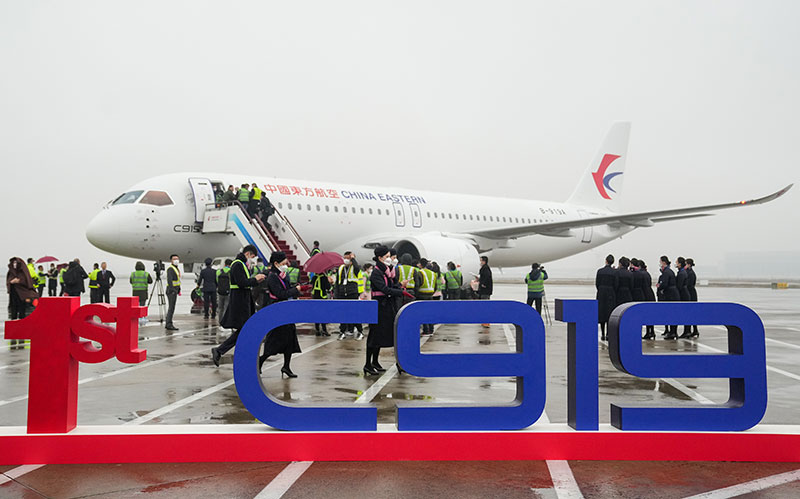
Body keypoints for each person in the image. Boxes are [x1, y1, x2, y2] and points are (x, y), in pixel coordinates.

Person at [212, 245, 266, 366]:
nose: (253, 259)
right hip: (239, 299)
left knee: (245, 329)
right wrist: (255, 279)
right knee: (244, 329)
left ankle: (221, 350)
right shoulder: (237, 264)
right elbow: (242, 282)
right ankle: (221, 350)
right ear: (247, 254)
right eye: (252, 256)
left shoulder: (242, 264)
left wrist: (256, 281)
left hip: (243, 298)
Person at [258, 251, 303, 377]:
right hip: (277, 311)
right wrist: (295, 290)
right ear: (276, 263)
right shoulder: (272, 277)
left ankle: (286, 367)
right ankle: (260, 361)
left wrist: (297, 289)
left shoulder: (283, 275)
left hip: (286, 310)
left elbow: (287, 290)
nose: (286, 265)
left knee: (290, 339)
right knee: (275, 341)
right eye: (284, 263)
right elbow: (280, 294)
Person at [365, 246, 406, 375]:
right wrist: (399, 292)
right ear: (380, 258)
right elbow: (385, 289)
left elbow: (393, 285)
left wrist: (399, 286)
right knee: (374, 336)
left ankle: (375, 362)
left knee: (381, 336)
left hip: (387, 306)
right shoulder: (376, 273)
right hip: (379, 307)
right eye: (387, 256)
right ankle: (367, 364)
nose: (390, 259)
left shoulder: (388, 272)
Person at [334, 251, 364, 340]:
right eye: (345, 258)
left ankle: (360, 331)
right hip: (342, 294)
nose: (346, 260)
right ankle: (342, 332)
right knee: (343, 314)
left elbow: (357, 267)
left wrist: (353, 258)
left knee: (354, 313)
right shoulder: (341, 268)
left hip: (352, 293)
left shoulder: (354, 268)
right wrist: (336, 294)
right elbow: (337, 282)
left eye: (348, 258)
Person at [657, 256, 681, 339]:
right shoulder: (669, 271)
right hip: (673, 294)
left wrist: (659, 286)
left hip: (671, 295)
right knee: (673, 314)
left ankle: (672, 332)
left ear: (664, 262)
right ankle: (672, 331)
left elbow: (664, 284)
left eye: (660, 262)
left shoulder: (666, 272)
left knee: (671, 314)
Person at [595, 254, 618, 341]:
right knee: (609, 313)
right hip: (610, 293)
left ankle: (602, 333)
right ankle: (608, 334)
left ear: (606, 261)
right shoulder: (614, 272)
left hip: (601, 293)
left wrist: (601, 289)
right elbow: (616, 284)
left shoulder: (600, 271)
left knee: (601, 313)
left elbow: (597, 283)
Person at [415, 258, 438, 335]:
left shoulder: (420, 273)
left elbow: (417, 285)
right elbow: (435, 286)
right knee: (429, 312)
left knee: (423, 313)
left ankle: (426, 330)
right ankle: (431, 329)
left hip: (421, 295)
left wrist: (416, 295)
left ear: (421, 264)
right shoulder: (433, 273)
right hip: (430, 295)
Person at [675, 257, 693, 339]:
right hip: (684, 293)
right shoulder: (682, 272)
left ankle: (687, 331)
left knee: (686, 314)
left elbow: (679, 285)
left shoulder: (682, 273)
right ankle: (687, 331)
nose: (676, 264)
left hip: (684, 294)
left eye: (677, 262)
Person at [638, 260, 657, 340]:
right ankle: (651, 331)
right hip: (650, 293)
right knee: (650, 314)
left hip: (645, 294)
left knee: (645, 314)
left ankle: (648, 332)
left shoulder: (640, 274)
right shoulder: (647, 273)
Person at [311, 270, 332, 336]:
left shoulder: (314, 277)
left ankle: (317, 330)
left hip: (315, 297)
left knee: (316, 314)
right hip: (322, 298)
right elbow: (328, 287)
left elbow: (311, 285)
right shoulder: (324, 278)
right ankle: (324, 330)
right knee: (323, 314)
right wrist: (329, 282)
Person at [165, 254, 181, 331]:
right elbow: (170, 280)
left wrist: (179, 289)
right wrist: (173, 290)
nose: (176, 260)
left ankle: (169, 323)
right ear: (171, 261)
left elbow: (177, 280)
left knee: (172, 307)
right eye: (174, 259)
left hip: (175, 290)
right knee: (171, 308)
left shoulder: (176, 268)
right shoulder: (170, 269)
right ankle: (168, 324)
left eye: (177, 259)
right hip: (171, 291)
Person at [685, 258, 699, 338]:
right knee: (692, 313)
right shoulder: (689, 272)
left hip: (691, 294)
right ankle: (694, 330)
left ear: (689, 265)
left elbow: (689, 285)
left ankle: (691, 330)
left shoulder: (690, 273)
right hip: (691, 293)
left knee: (691, 313)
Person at [216, 259, 233, 325]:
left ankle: (220, 321)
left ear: (224, 264)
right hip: (228, 291)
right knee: (226, 307)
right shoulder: (231, 272)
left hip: (220, 291)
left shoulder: (219, 271)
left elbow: (217, 281)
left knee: (220, 307)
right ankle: (225, 321)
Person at [478, 256, 493, 327]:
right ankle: (484, 321)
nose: (480, 262)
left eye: (481, 261)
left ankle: (486, 322)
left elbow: (486, 277)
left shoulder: (485, 268)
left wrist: (483, 284)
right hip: (484, 290)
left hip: (485, 290)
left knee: (485, 305)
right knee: (483, 305)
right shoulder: (485, 268)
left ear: (484, 261)